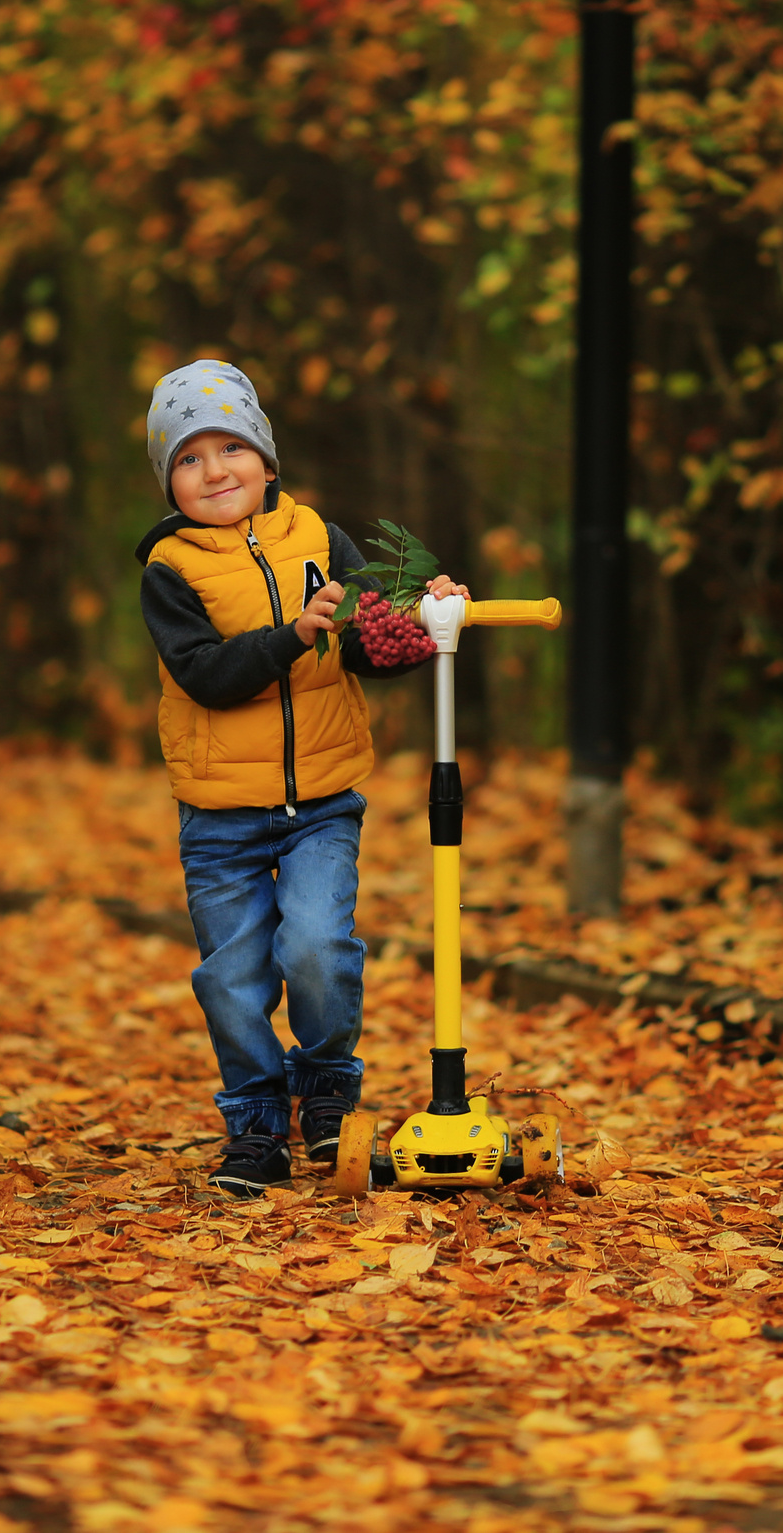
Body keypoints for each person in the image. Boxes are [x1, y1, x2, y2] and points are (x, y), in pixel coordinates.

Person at [134, 359, 466, 1198]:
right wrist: (289, 634)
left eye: (230, 449)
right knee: (234, 978)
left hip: (320, 799)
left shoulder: (321, 539)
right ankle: (253, 1119)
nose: (215, 471)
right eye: (189, 458)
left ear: (266, 459)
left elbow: (361, 644)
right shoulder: (170, 569)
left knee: (318, 948)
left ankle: (324, 1086)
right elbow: (205, 673)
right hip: (220, 815)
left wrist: (424, 622)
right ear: (170, 482)